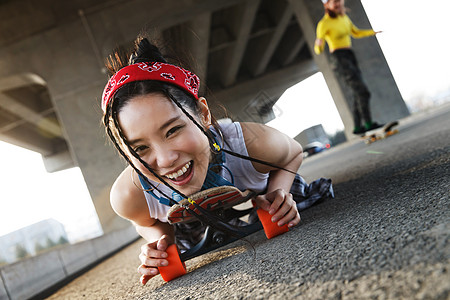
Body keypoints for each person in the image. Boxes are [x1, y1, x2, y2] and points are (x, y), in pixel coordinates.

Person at [102, 37, 334, 285]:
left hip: (254, 192)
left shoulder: (250, 142)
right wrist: (159, 242)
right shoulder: (130, 195)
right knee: (182, 241)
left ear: (203, 114)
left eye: (173, 131)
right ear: (127, 154)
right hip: (189, 224)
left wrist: (279, 192)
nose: (166, 159)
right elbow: (145, 222)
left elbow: (294, 153)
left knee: (292, 202)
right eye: (140, 148)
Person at [314, 0, 382, 134]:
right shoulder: (324, 24)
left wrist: (372, 32)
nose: (338, 4)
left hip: (350, 55)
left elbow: (355, 33)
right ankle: (368, 124)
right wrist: (318, 44)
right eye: (334, 2)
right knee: (363, 91)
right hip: (339, 58)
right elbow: (318, 50)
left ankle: (357, 127)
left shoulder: (344, 18)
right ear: (327, 5)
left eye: (339, 1)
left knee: (358, 92)